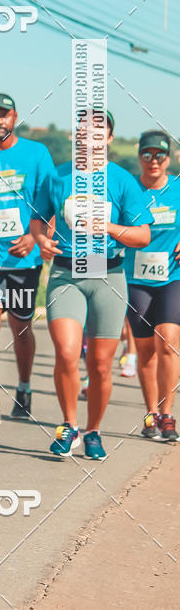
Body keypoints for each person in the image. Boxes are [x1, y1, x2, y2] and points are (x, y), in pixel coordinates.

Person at [30, 110, 153, 460]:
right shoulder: (58, 176)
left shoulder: (122, 181)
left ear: (109, 139)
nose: (89, 138)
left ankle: (94, 431)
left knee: (100, 365)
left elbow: (142, 235)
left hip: (109, 275)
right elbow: (37, 221)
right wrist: (42, 241)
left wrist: (109, 228)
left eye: (98, 133)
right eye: (82, 132)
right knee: (67, 353)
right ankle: (69, 427)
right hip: (66, 275)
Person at [0, 93, 54, 424]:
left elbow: (49, 201)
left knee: (21, 326)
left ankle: (24, 388)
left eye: (5, 115)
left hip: (24, 256)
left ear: (15, 117)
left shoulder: (36, 153)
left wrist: (35, 236)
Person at [124, 131, 180, 442]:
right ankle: (151, 414)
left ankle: (168, 414)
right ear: (139, 156)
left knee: (168, 341)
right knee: (145, 350)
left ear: (168, 157)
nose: (153, 160)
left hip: (173, 276)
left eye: (159, 154)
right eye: (147, 154)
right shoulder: (129, 188)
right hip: (136, 279)